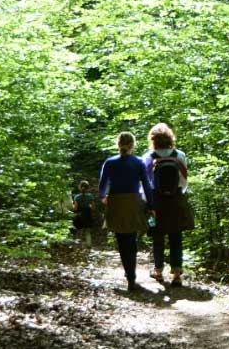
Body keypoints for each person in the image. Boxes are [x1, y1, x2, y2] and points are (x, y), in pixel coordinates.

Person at [99, 131, 149, 292]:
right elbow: (147, 186)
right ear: (133, 144)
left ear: (118, 144)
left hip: (116, 202)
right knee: (132, 238)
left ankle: (129, 275)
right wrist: (152, 206)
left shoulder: (110, 162)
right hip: (134, 202)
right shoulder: (138, 162)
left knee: (121, 239)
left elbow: (102, 187)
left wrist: (103, 198)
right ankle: (132, 275)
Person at [143, 122, 189, 287]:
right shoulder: (179, 155)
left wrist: (148, 203)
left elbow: (145, 183)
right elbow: (184, 181)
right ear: (170, 137)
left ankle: (158, 271)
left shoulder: (149, 156)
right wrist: (178, 193)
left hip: (156, 201)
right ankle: (177, 274)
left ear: (153, 139)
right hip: (176, 199)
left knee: (157, 235)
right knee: (176, 235)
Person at [71, 180, 96, 247]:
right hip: (88, 214)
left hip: (79, 215)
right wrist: (89, 206)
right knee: (87, 231)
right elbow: (93, 208)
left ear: (80, 187)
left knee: (79, 231)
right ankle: (89, 245)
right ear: (88, 188)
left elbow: (75, 208)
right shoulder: (90, 196)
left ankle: (79, 245)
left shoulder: (77, 197)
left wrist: (72, 206)